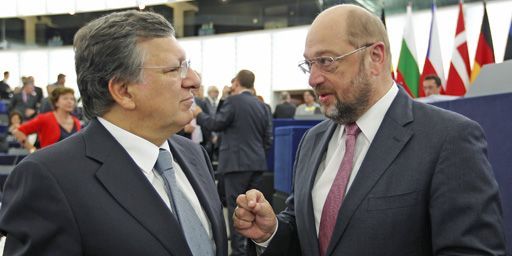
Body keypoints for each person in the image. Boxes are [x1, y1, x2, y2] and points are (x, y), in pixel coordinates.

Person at [233, 4, 506, 256]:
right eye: (309, 63)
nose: (313, 78)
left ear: (375, 57)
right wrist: (272, 233)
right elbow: (303, 231)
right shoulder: (312, 141)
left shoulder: (449, 139)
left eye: (326, 61)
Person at [0, 10, 227, 256]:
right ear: (124, 91)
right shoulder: (49, 179)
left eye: (188, 66)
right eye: (174, 70)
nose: (194, 80)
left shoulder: (194, 156)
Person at [196, 69, 272, 256]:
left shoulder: (233, 102)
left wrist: (199, 114)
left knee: (237, 209)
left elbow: (216, 124)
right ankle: (252, 249)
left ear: (237, 83)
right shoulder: (263, 106)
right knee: (254, 208)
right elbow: (268, 138)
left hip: (235, 164)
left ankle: (239, 251)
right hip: (256, 163)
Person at [11, 87, 81, 151]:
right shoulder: (45, 118)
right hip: (49, 162)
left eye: (72, 99)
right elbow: (18, 132)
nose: (70, 102)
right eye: (65, 98)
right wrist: (32, 150)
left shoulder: (76, 121)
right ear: (56, 102)